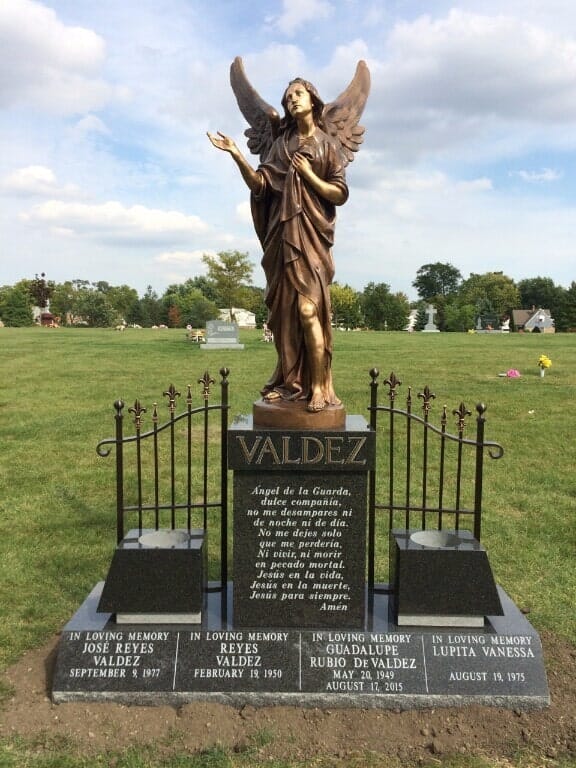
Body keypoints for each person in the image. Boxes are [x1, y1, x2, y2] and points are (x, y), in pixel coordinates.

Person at [208, 79, 353, 412]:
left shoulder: (326, 145)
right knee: (285, 317)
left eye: (297, 95)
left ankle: (318, 388)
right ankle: (291, 383)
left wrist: (310, 176)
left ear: (313, 100)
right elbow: (260, 185)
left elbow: (340, 194)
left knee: (308, 310)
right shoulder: (281, 144)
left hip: (312, 240)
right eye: (287, 98)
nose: (291, 101)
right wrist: (236, 155)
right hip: (282, 238)